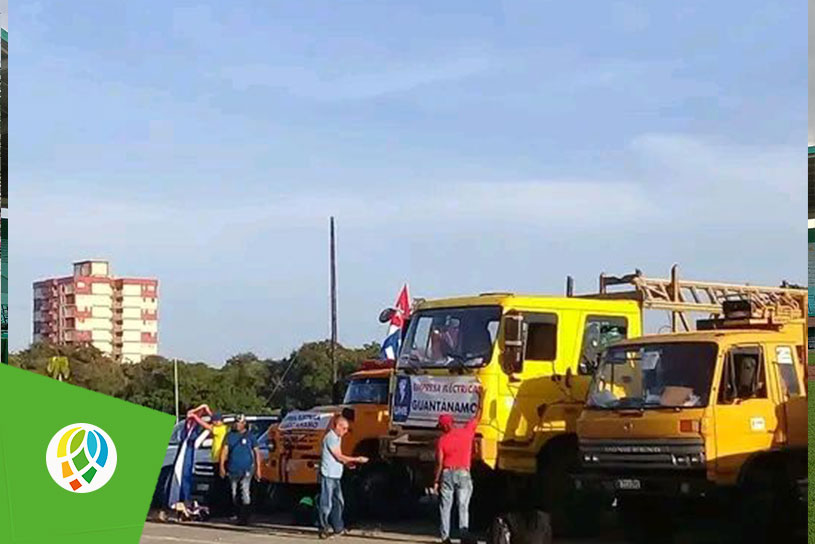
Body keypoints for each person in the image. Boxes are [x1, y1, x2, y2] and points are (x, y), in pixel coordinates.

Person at [434, 389, 484, 544]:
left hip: (447, 473)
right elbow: (478, 415)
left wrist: (435, 480)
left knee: (445, 507)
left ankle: (445, 538)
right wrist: (481, 396)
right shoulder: (466, 433)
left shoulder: (442, 441)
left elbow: (440, 463)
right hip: (463, 473)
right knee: (463, 506)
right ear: (453, 422)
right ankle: (464, 535)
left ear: (443, 427)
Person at [318, 415, 369, 539]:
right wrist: (357, 459)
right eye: (344, 428)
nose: (345, 432)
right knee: (326, 503)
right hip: (328, 474)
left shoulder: (337, 438)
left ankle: (338, 527)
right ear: (337, 426)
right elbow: (338, 456)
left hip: (336, 474)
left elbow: (339, 458)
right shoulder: (330, 437)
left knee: (339, 501)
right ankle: (323, 527)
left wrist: (347, 463)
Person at [166, 404, 213, 520]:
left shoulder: (199, 427)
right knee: (179, 479)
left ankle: (185, 505)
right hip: (184, 455)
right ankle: (180, 506)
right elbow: (190, 414)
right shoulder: (187, 427)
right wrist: (202, 408)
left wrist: (204, 410)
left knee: (185, 479)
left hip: (192, 456)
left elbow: (214, 422)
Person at [219, 414, 261, 526]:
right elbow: (224, 451)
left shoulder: (250, 436)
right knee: (234, 493)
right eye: (236, 422)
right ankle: (237, 514)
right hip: (233, 469)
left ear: (244, 424)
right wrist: (221, 466)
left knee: (245, 491)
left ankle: (245, 516)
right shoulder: (229, 436)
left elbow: (257, 453)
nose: (237, 425)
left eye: (240, 423)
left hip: (247, 469)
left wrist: (258, 469)